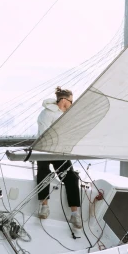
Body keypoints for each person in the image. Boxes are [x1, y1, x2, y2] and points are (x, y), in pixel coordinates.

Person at [36, 87, 82, 228]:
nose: (72, 104)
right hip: (44, 148)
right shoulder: (46, 113)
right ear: (64, 100)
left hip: (59, 150)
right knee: (44, 172)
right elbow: (45, 133)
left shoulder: (66, 115)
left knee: (71, 177)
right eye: (71, 101)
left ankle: (74, 214)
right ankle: (44, 207)